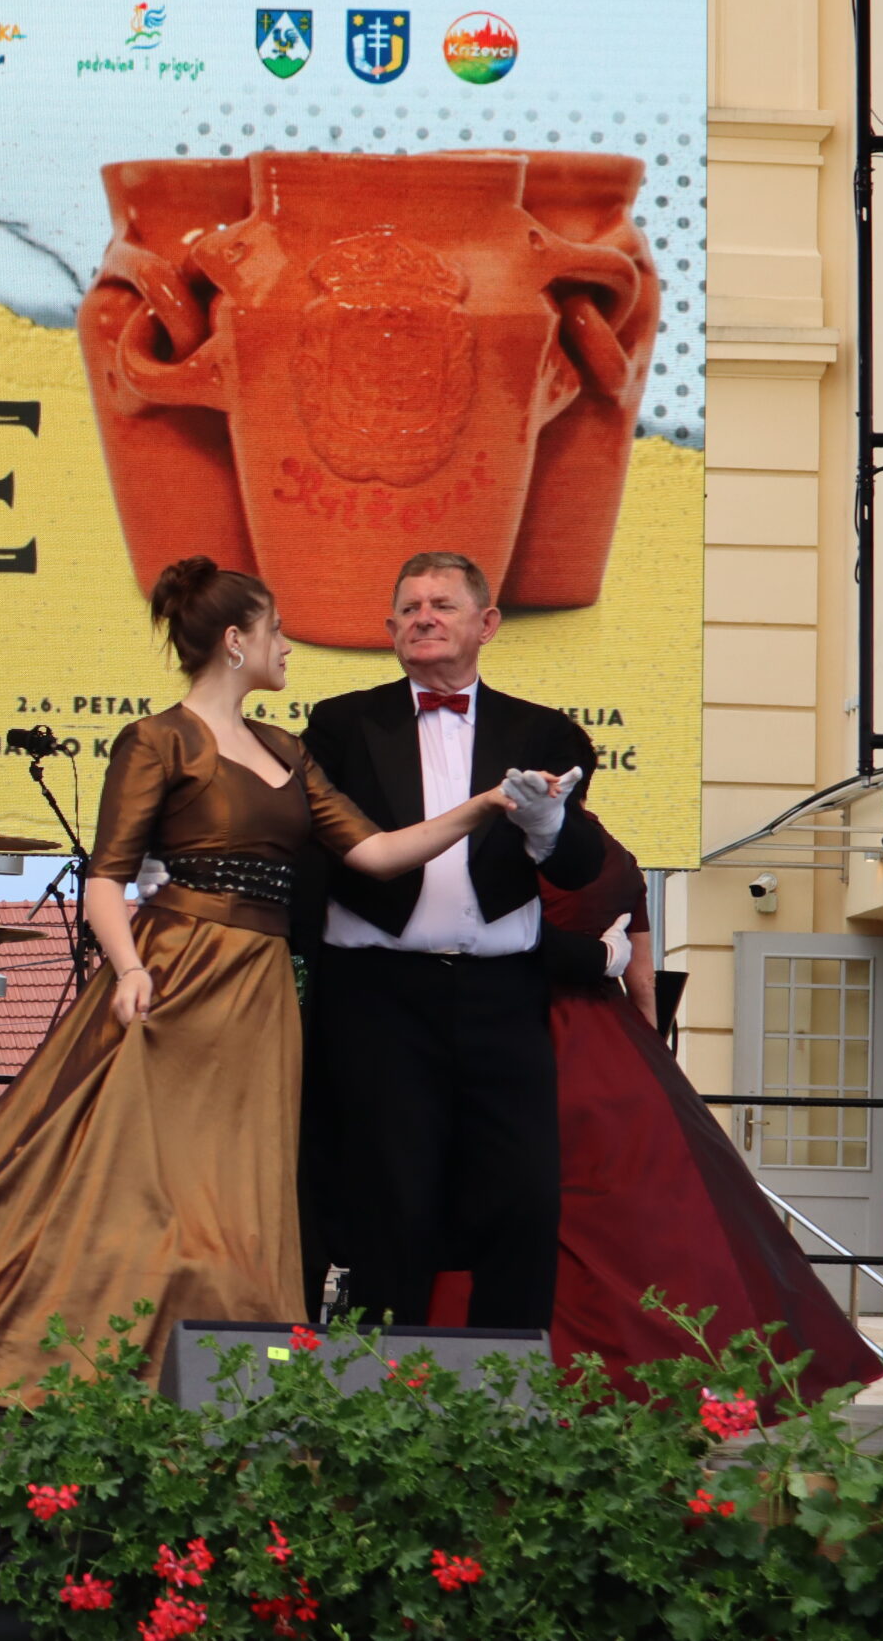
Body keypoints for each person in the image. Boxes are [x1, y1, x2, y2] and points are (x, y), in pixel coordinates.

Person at [0, 558, 539, 1406]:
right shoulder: (158, 740)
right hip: (180, 973)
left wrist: (482, 806)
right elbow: (108, 877)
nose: (289, 646)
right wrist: (131, 968)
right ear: (237, 641)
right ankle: (32, 1345)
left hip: (259, 988)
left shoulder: (287, 750)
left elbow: (378, 852)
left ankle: (225, 1372)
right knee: (133, 1183)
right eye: (278, 630)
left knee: (242, 1193)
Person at [300, 551, 603, 1334]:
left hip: (502, 1001)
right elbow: (314, 854)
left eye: (441, 604)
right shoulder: (341, 726)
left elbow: (578, 867)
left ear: (487, 623)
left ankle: (506, 1385)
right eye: (409, 608)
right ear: (390, 628)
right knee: (388, 1200)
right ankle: (378, 1385)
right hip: (379, 997)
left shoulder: (543, 731)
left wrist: (547, 826)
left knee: (522, 1196)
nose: (423, 618)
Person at [534, 818, 882, 1399]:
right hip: (611, 1041)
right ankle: (702, 1373)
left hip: (526, 1029)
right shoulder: (619, 859)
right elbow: (643, 979)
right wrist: (652, 1062)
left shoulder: (511, 846)